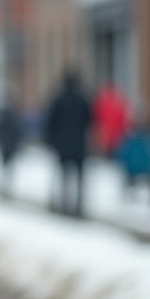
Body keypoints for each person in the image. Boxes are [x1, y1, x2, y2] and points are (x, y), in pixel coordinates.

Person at [43, 68, 92, 217]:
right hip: (79, 145)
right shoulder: (82, 99)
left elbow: (50, 122)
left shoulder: (58, 99)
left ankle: (64, 204)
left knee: (64, 176)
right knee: (79, 177)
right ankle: (78, 206)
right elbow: (89, 120)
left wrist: (51, 141)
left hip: (62, 145)